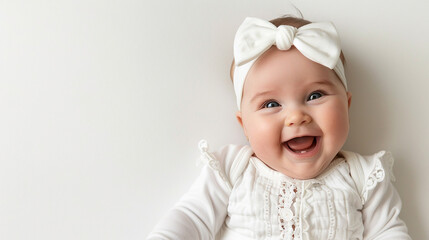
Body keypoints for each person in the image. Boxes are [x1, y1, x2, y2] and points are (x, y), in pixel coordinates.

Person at [147, 15, 411, 240]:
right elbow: (193, 218)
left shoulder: (363, 177)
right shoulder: (233, 169)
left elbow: (388, 230)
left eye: (315, 96)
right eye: (271, 103)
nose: (296, 116)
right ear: (245, 126)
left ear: (347, 105)